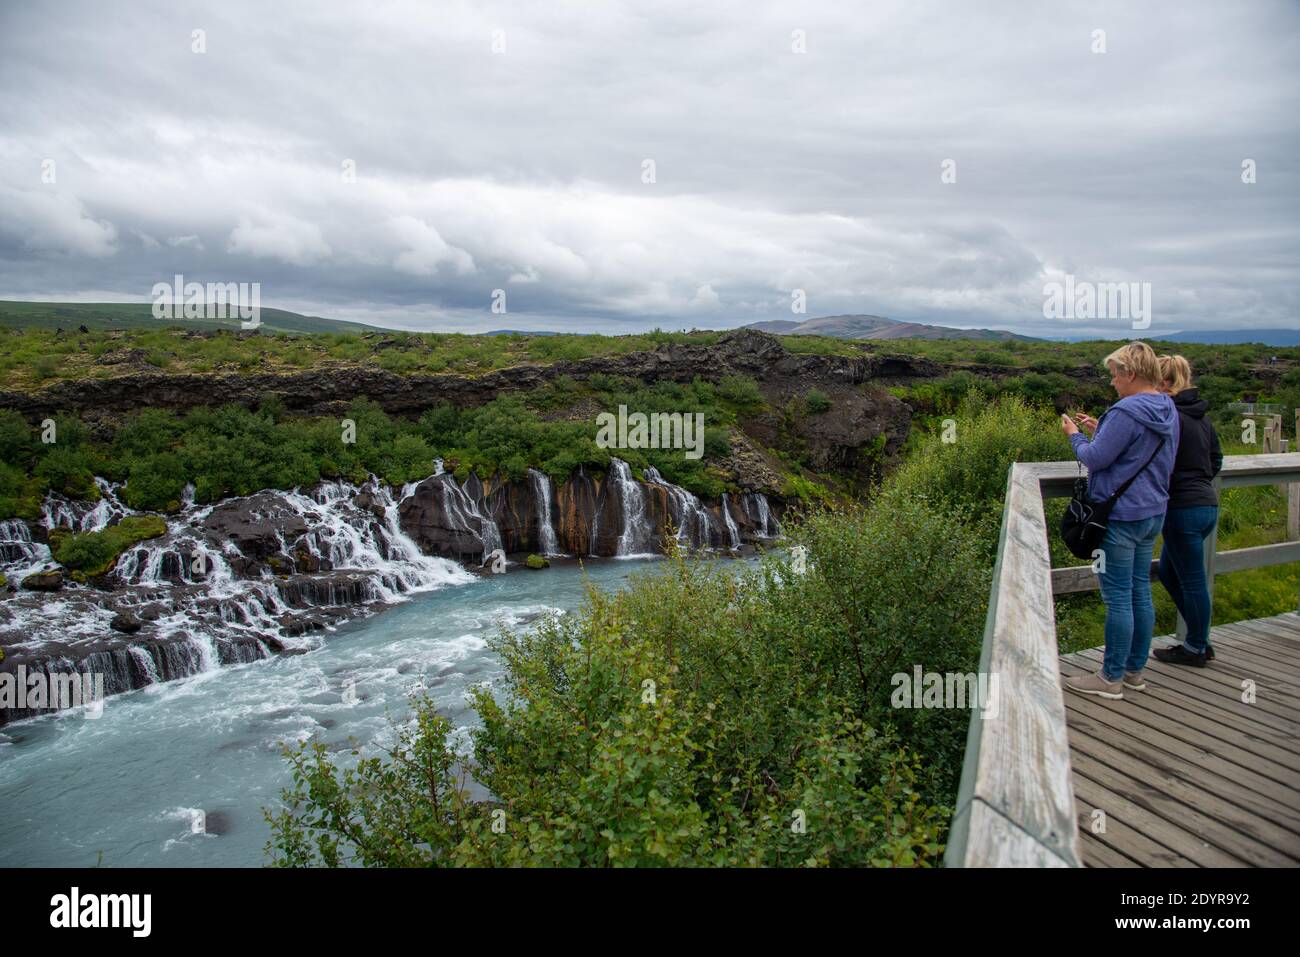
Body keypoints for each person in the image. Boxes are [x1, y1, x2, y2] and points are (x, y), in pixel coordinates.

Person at [1060, 341, 1179, 700]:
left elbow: (1095, 459)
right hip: (1153, 513)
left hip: (1121, 518)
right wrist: (1104, 430)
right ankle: (1133, 672)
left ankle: (1109, 678)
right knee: (1140, 592)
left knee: (1117, 599)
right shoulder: (1167, 407)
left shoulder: (1126, 412)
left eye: (1114, 375)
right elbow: (1136, 453)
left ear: (1129, 373)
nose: (1112, 382)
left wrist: (1074, 436)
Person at [1152, 354, 1223, 666]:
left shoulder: (1170, 416)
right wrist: (1200, 480)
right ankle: (1199, 638)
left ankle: (1195, 646)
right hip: (1205, 504)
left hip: (1181, 508)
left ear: (1165, 383)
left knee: (1192, 582)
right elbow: (1216, 458)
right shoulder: (1200, 417)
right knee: (1168, 572)